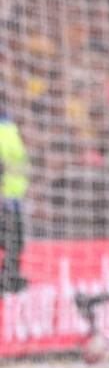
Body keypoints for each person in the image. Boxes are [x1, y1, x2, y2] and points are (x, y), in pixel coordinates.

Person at [0, 99, 29, 293]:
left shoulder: (10, 129)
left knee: (15, 243)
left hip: (14, 200)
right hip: (5, 200)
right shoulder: (6, 131)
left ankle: (10, 278)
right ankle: (7, 280)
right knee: (9, 242)